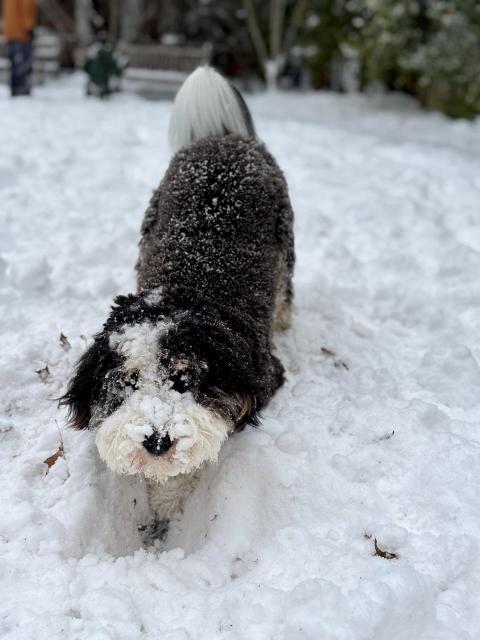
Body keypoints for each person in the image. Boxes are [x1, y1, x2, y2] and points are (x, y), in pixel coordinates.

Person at [2, 0, 37, 96]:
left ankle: (15, 89)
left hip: (10, 31)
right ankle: (21, 90)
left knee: (15, 63)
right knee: (22, 64)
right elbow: (27, 6)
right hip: (22, 33)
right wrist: (29, 26)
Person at [84, 33, 125, 98]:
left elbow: (85, 68)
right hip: (104, 84)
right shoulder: (108, 54)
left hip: (93, 84)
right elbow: (115, 69)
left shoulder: (92, 54)